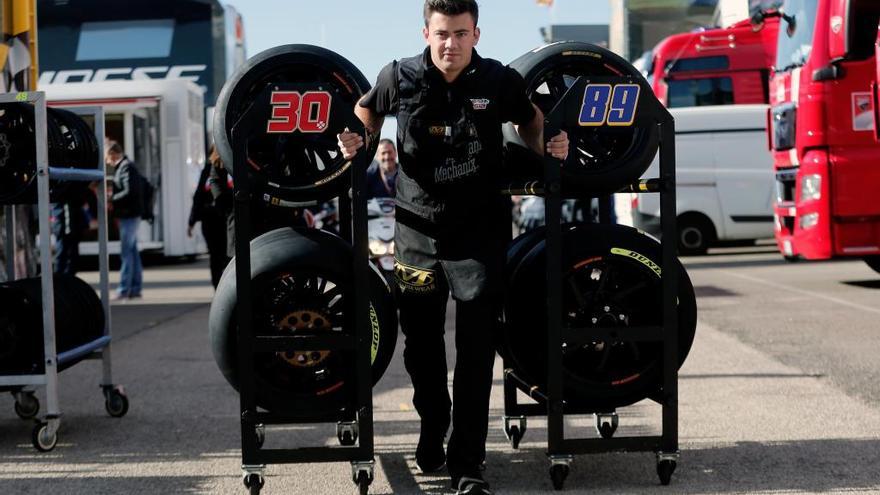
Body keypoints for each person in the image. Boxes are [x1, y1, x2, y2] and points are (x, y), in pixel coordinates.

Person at [337, 1, 568, 493]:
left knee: (476, 350)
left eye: (461, 34)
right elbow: (364, 111)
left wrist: (546, 144)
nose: (451, 44)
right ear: (426, 32)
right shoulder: (398, 77)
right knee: (421, 348)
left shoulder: (498, 80)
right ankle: (431, 422)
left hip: (479, 234)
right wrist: (358, 139)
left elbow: (531, 120)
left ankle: (468, 464)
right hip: (416, 234)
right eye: (442, 33)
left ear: (476, 34)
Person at [188, 146, 231, 288]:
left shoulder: (230, 166)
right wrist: (192, 221)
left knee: (226, 256)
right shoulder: (207, 170)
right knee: (215, 256)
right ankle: (217, 287)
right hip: (209, 219)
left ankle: (227, 286)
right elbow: (198, 196)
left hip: (225, 219)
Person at [106, 141, 143, 300]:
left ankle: (123, 289)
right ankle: (135, 288)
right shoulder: (126, 166)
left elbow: (129, 191)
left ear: (113, 154)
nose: (107, 161)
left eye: (107, 157)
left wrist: (112, 198)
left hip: (129, 215)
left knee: (126, 253)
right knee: (132, 252)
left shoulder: (126, 167)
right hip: (130, 214)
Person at [51, 187, 89, 275]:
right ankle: (61, 277)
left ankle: (63, 277)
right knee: (65, 252)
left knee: (68, 253)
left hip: (68, 223)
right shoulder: (65, 191)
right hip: (66, 224)